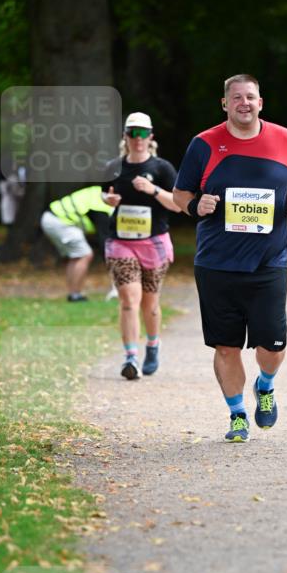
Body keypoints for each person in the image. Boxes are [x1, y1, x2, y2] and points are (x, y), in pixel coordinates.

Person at [173, 74, 287, 443]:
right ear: (225, 104)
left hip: (269, 262)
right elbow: (179, 194)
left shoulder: (285, 139)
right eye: (237, 98)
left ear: (261, 102)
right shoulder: (204, 144)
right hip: (217, 263)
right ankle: (236, 415)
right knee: (226, 346)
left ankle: (265, 386)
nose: (244, 103)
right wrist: (194, 205)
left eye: (250, 97)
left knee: (272, 346)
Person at [102, 112, 181, 380]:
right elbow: (105, 193)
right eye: (132, 133)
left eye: (142, 133)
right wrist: (107, 201)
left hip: (154, 243)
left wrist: (153, 190)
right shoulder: (113, 167)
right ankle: (131, 358)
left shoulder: (162, 169)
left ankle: (153, 344)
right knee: (129, 300)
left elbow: (178, 204)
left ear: (150, 137)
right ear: (124, 136)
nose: (137, 138)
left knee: (150, 304)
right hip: (121, 242)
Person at [40, 185, 114, 302]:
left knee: (77, 256)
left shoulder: (97, 192)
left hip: (52, 218)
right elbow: (104, 239)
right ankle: (75, 294)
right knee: (85, 255)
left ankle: (73, 293)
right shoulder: (101, 205)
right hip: (60, 221)